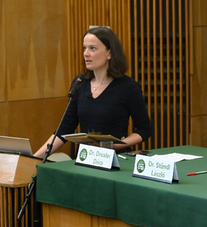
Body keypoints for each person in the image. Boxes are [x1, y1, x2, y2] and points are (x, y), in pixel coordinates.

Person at [34, 27, 153, 158]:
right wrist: (34, 158)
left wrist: (116, 145)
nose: (86, 53)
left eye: (93, 48)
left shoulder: (128, 87)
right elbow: (64, 129)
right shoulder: (80, 83)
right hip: (85, 159)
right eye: (84, 48)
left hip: (115, 159)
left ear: (109, 53)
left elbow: (144, 129)